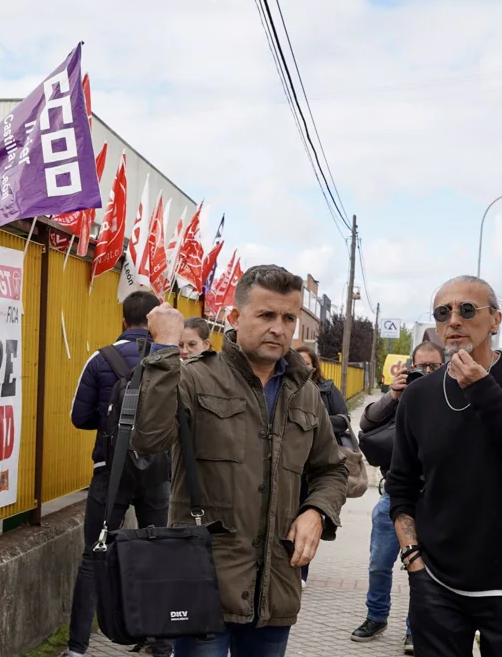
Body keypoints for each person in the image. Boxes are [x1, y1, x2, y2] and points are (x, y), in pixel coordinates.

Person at [134, 265, 348, 657]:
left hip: (276, 587)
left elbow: (332, 469)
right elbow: (148, 438)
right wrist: (165, 349)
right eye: (266, 315)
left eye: (289, 318)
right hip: (205, 584)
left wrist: (317, 511)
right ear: (234, 317)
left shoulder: (305, 393)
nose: (279, 329)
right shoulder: (196, 378)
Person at [387, 275, 502, 657]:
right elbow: (401, 483)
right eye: (443, 312)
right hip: (437, 583)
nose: (454, 320)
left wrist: (482, 388)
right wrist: (413, 560)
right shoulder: (419, 395)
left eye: (467, 310)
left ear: (495, 320)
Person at [64, 290, 171, 657]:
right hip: (157, 470)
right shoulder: (170, 358)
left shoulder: (101, 358)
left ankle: (77, 649)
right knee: (157, 552)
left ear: (123, 321)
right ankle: (159, 642)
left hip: (109, 470)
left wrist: (113, 425)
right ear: (157, 319)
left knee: (95, 555)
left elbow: (79, 418)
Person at [350, 341, 445, 654]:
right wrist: (394, 395)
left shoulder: (453, 396)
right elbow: (367, 423)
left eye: (435, 366)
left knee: (422, 568)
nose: (428, 372)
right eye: (422, 366)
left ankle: (413, 629)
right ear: (411, 367)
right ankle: (376, 617)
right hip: (394, 495)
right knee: (379, 563)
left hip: (435, 500)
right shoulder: (403, 396)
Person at [291, 344, 351, 590]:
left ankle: (302, 571)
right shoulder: (289, 389)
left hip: (314, 467)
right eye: (300, 363)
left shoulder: (327, 390)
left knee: (306, 515)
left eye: (308, 364)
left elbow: (344, 419)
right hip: (292, 466)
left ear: (314, 366)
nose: (304, 367)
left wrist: (318, 419)